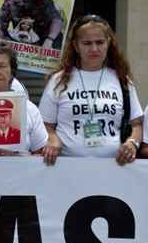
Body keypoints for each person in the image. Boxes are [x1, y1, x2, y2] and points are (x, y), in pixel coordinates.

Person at [39, 14, 143, 165]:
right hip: (66, 167)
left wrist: (133, 143)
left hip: (114, 167)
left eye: (100, 42)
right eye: (87, 43)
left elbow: (137, 124)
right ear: (76, 46)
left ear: (108, 43)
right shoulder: (58, 81)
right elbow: (45, 125)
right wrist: (53, 140)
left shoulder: (121, 79)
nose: (94, 49)